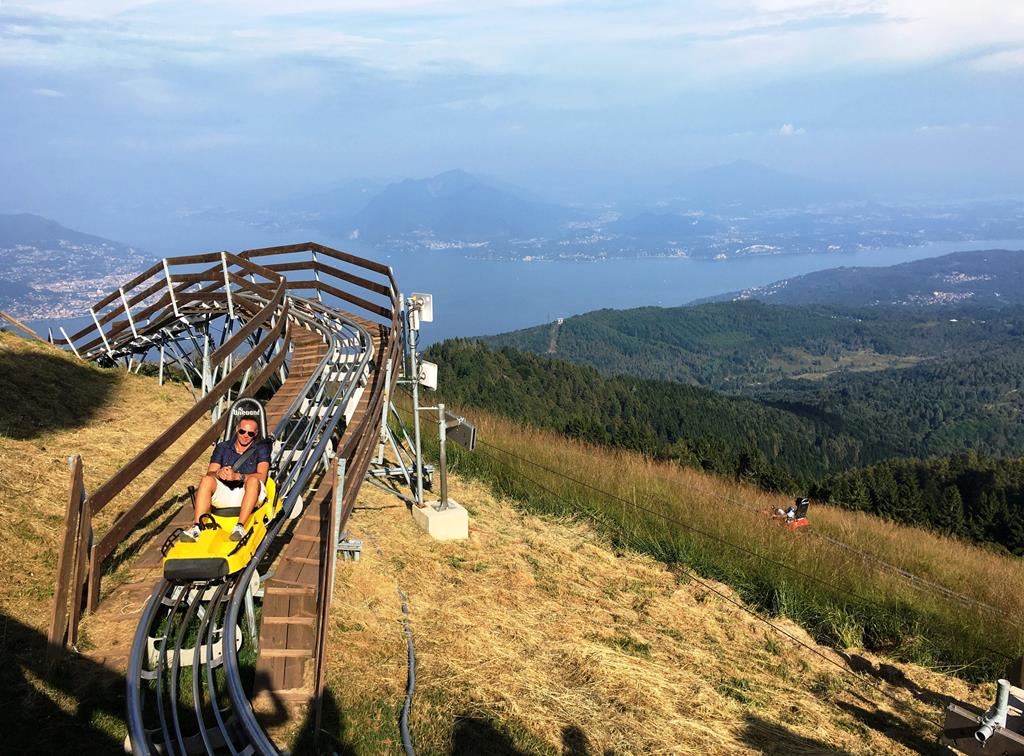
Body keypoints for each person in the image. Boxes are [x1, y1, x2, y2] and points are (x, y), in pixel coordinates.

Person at [180, 417, 271, 542]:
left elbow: (262, 476)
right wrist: (219, 473)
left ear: (255, 433)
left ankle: (240, 526)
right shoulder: (222, 447)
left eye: (250, 433)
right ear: (237, 429)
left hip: (250, 492)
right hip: (226, 493)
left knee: (253, 480)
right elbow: (210, 473)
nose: (245, 436)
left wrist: (238, 476)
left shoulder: (261, 449)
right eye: (242, 431)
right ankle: (197, 527)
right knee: (206, 480)